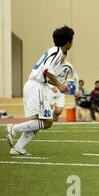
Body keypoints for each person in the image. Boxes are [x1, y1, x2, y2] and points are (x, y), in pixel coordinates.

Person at [5, 26, 74, 156]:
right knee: (47, 122)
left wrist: (56, 84)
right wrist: (59, 85)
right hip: (36, 87)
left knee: (39, 121)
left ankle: (18, 147)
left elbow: (46, 73)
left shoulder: (52, 50)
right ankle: (13, 128)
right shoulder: (58, 52)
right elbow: (46, 71)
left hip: (34, 85)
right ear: (68, 42)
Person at [46, 52, 79, 122]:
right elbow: (45, 78)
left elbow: (75, 77)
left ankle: (51, 118)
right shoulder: (51, 65)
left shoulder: (68, 66)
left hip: (61, 90)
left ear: (65, 56)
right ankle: (46, 120)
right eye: (60, 55)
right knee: (47, 109)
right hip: (49, 89)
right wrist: (51, 87)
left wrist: (77, 90)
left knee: (58, 111)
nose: (61, 57)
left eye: (63, 55)